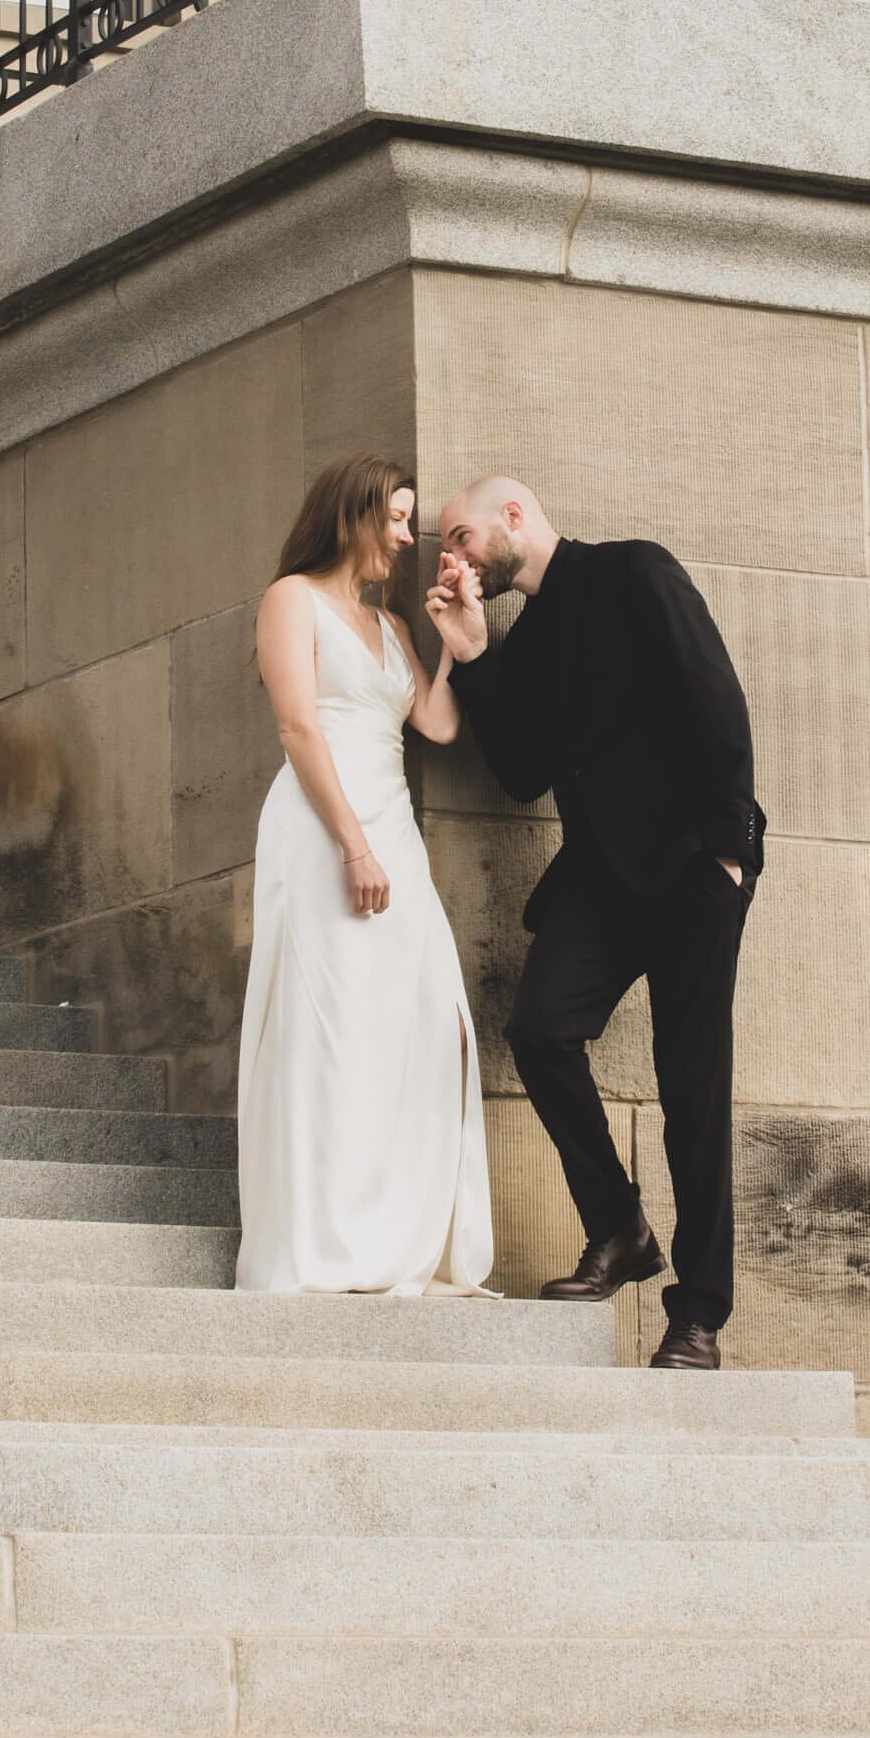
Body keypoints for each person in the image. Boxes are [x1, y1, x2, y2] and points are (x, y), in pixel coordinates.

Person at [428, 477, 764, 1370]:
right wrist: (471, 654)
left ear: (514, 514)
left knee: (692, 1089)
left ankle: (698, 1317)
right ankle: (621, 1228)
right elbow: (521, 775)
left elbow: (716, 696)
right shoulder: (524, 639)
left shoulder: (636, 572)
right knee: (539, 1031)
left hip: (696, 865)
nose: (452, 557)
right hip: (601, 883)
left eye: (460, 534)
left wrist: (730, 849)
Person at [235, 454, 492, 1296]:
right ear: (352, 515)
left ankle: (392, 1231)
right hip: (323, 830)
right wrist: (353, 845)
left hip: (394, 831)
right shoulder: (290, 600)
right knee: (328, 1023)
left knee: (424, 1020)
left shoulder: (388, 625)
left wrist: (456, 648)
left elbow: (438, 725)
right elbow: (299, 730)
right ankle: (321, 1241)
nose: (404, 537)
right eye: (394, 519)